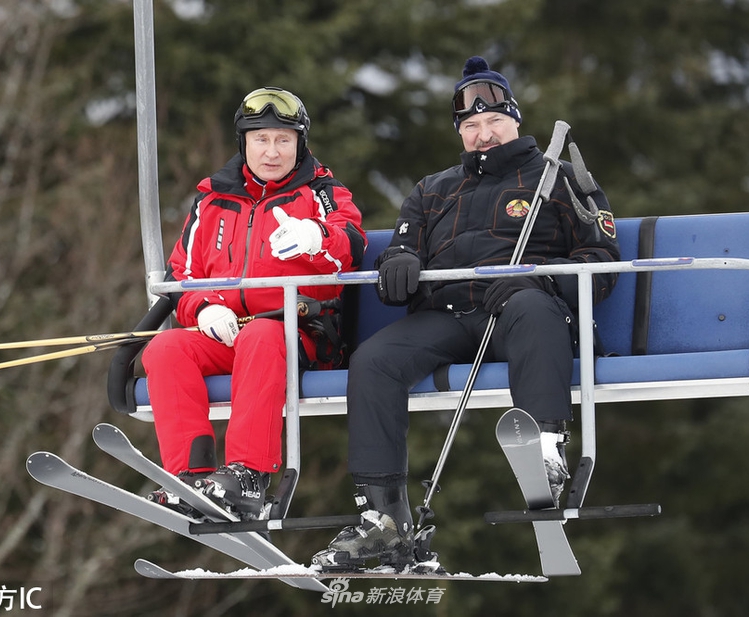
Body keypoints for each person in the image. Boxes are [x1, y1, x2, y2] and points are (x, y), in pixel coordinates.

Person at [313, 57, 620, 570]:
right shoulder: (432, 190)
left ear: (515, 120)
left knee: (531, 310)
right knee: (375, 360)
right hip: (449, 314)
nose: (484, 134)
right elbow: (401, 250)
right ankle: (383, 520)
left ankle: (545, 451)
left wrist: (541, 278)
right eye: (472, 125)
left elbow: (603, 260)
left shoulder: (559, 178)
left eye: (494, 121)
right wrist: (398, 264)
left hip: (526, 311)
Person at [142, 87, 366, 520]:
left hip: (297, 332)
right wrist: (205, 308)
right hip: (225, 331)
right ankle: (191, 476)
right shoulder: (212, 200)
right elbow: (181, 276)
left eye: (283, 140)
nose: (272, 151)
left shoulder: (320, 192)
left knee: (262, 335)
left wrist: (315, 236)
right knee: (166, 348)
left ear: (300, 144)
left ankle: (248, 476)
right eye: (261, 139)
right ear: (243, 143)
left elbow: (351, 247)